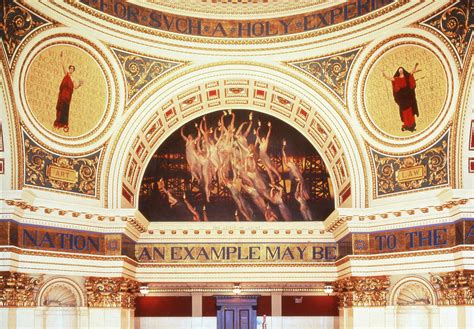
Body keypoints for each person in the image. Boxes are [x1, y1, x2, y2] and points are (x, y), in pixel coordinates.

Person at [383, 63, 420, 132]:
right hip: (402, 97)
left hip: (408, 95)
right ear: (398, 71)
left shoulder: (407, 76)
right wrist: (385, 75)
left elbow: (412, 72)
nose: (400, 71)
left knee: (410, 110)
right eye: (399, 70)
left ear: (403, 70)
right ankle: (407, 124)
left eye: (401, 70)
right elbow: (390, 78)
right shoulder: (396, 79)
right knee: (404, 111)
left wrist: (415, 66)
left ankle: (412, 124)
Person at [54, 51, 83, 132]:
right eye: (70, 68)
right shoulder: (66, 74)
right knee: (60, 107)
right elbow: (63, 66)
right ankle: (59, 121)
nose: (71, 70)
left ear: (73, 71)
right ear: (69, 69)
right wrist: (61, 57)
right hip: (63, 94)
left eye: (72, 69)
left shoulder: (73, 78)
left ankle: (64, 123)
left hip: (68, 96)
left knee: (65, 109)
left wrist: (80, 84)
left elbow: (75, 87)